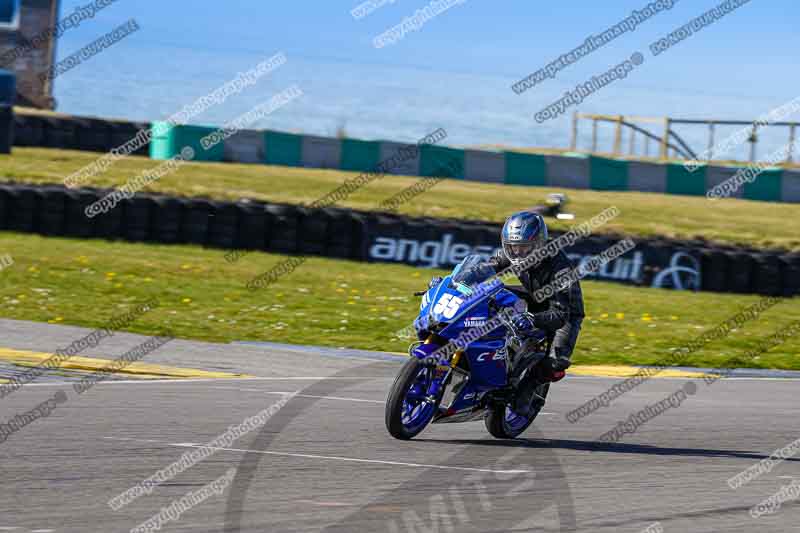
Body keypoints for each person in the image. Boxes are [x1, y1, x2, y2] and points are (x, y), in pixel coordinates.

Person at [487, 210, 585, 416]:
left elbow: (559, 315)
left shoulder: (562, 270)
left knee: (556, 361)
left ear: (539, 244)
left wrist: (532, 318)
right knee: (488, 294)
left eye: (525, 248)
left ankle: (529, 389)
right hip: (534, 295)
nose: (519, 254)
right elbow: (484, 269)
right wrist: (455, 281)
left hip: (563, 312)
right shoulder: (512, 254)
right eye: (513, 248)